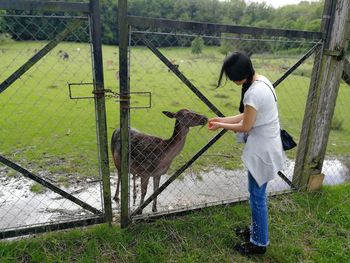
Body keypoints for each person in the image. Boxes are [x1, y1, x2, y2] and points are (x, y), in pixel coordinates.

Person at [208, 52, 285, 255]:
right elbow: (247, 115)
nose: (232, 81)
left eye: (232, 77)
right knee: (256, 196)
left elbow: (245, 125)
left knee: (257, 198)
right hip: (269, 146)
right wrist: (221, 119)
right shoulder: (262, 81)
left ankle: (259, 243)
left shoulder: (252, 92)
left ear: (239, 76)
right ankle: (255, 231)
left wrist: (220, 125)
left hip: (263, 152)